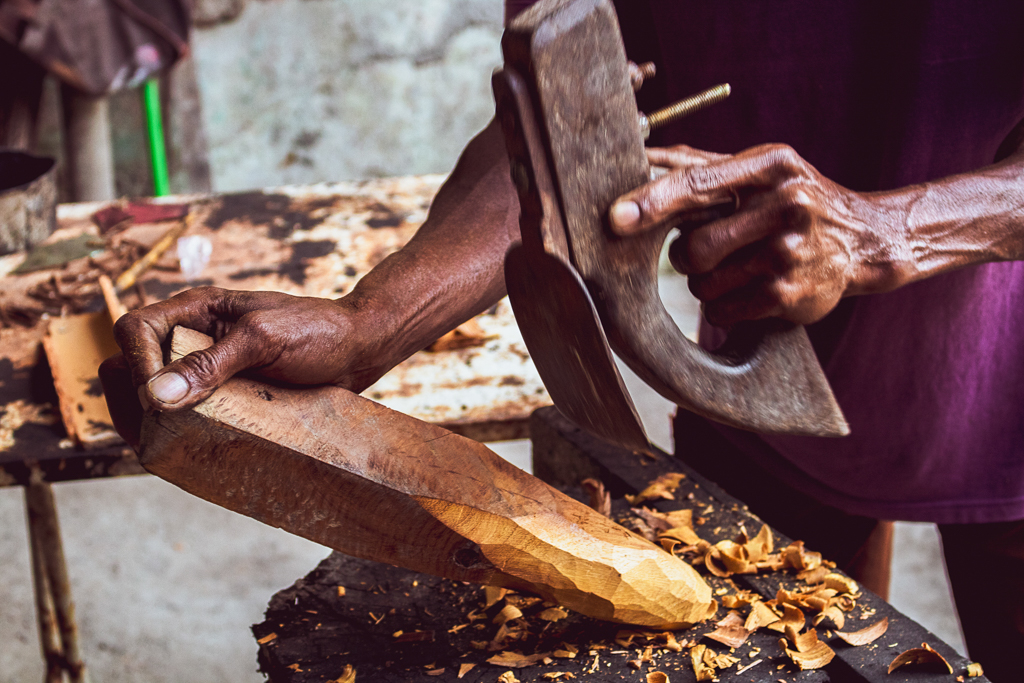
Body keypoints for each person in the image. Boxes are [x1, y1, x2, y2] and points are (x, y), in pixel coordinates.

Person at [111, 1, 1024, 678]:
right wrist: (373, 318)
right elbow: (558, 137)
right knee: (791, 645)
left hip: (1007, 368)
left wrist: (890, 230)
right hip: (769, 354)